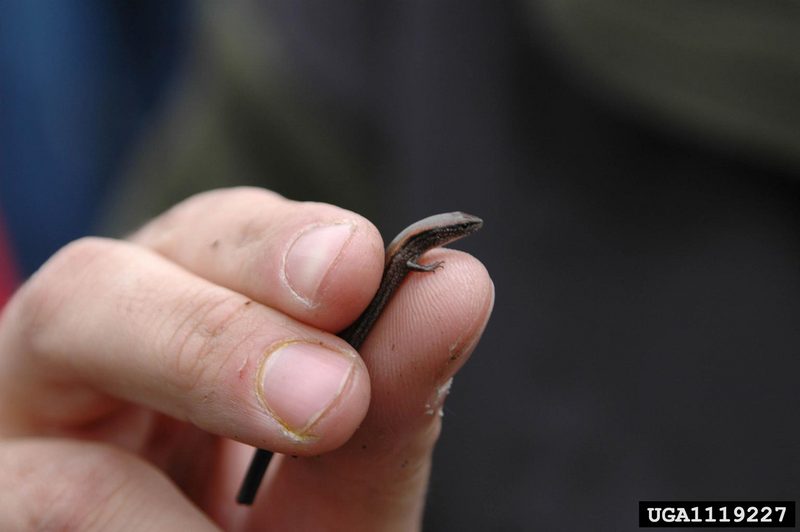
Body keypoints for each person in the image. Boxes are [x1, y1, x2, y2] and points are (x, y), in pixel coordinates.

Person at [0, 187, 494, 530]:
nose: (468, 231)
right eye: (463, 229)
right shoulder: (409, 252)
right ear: (439, 237)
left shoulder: (414, 253)